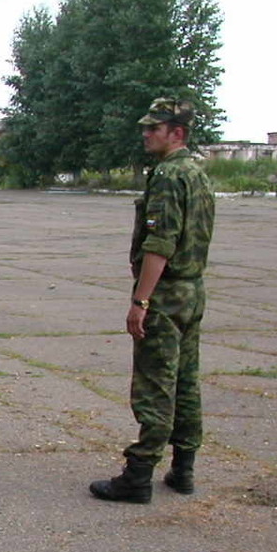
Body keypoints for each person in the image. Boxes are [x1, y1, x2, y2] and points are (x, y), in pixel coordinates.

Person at [90, 97, 215, 504]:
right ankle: (184, 467)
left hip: (166, 293)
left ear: (176, 132)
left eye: (154, 128)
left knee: (155, 385)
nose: (146, 134)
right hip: (192, 291)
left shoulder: (167, 175)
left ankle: (138, 474)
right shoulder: (197, 172)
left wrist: (141, 301)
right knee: (185, 382)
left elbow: (160, 243)